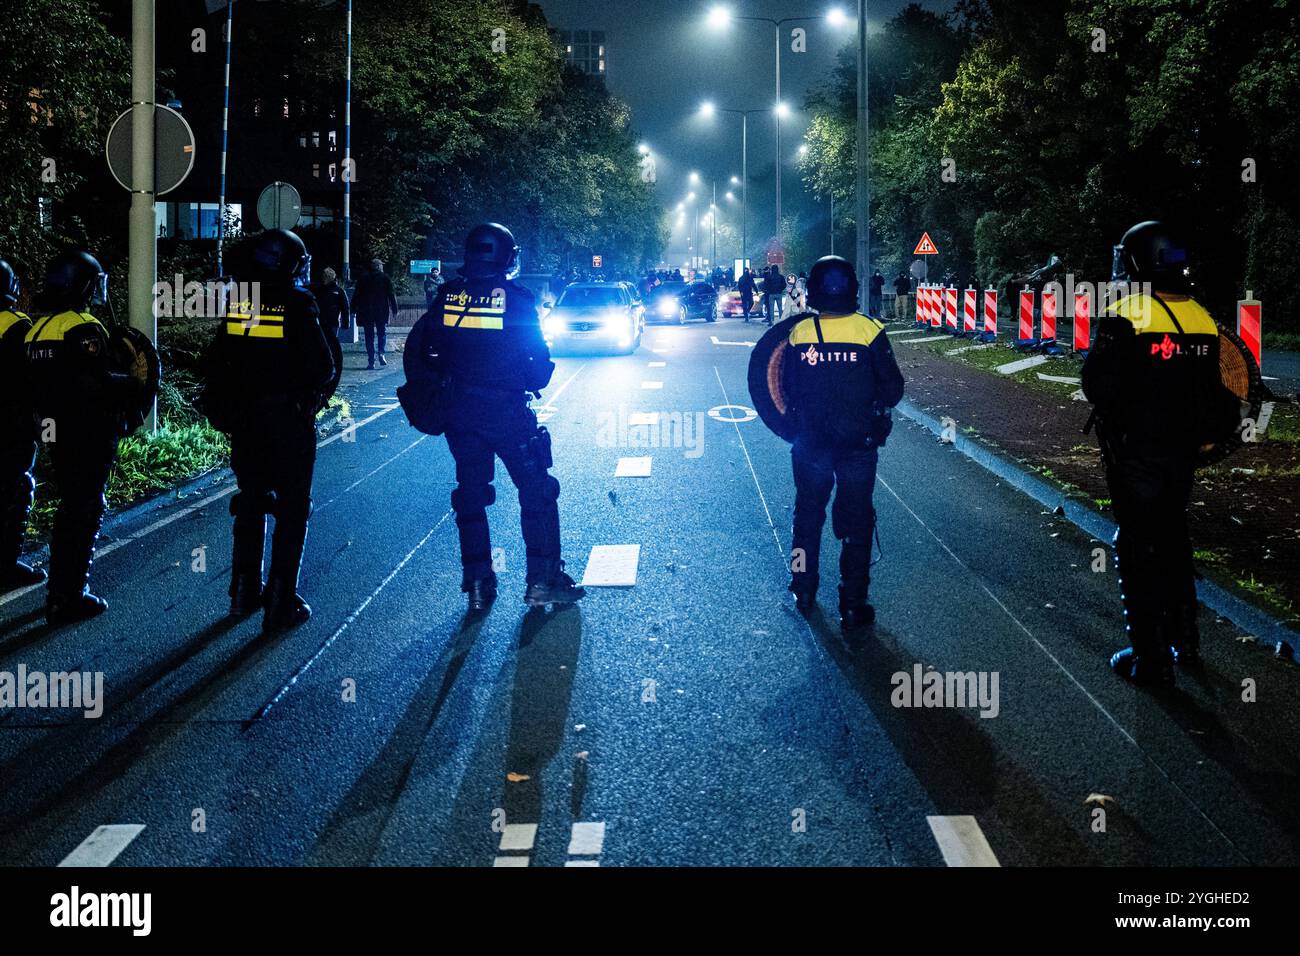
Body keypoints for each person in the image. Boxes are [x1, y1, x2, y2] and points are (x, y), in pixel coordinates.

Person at [1082, 221, 1240, 686]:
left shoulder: (1125, 314)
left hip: (1136, 454)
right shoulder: (1201, 316)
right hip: (1183, 455)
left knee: (1136, 549)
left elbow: (1097, 386)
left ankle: (1150, 661)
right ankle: (1185, 641)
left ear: (1136, 262)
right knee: (1174, 538)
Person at [424, 222, 585, 613]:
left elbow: (426, 350)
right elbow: (538, 359)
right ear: (506, 257)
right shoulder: (515, 299)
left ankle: (478, 584)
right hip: (506, 413)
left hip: (460, 414)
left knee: (471, 496)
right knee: (537, 490)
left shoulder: (447, 295)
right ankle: (543, 581)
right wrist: (530, 379)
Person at [203, 229, 337, 630]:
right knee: (293, 508)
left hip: (246, 422)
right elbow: (322, 365)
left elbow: (217, 360)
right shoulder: (299, 302)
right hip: (286, 422)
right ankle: (281, 600)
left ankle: (243, 591)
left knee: (251, 498)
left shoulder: (241, 302)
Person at [783, 255, 905, 628]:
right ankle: (853, 602)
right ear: (852, 287)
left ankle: (802, 587)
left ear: (815, 289)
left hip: (811, 446)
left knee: (807, 517)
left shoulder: (800, 333)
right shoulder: (869, 331)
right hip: (858, 446)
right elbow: (893, 389)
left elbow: (786, 389)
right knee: (857, 523)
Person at [24, 251, 138, 622]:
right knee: (86, 510)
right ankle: (69, 596)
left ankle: (59, 591)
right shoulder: (83, 326)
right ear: (85, 286)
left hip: (52, 432)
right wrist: (134, 381)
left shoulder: (37, 328)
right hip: (85, 433)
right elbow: (98, 383)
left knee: (69, 508)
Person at [0, 260, 44, 591]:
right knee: (17, 489)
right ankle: (6, 565)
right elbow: (35, 381)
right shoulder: (19, 326)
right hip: (11, 427)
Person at [351, 258, 398, 369]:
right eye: (381, 265)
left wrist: (352, 309)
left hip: (367, 311)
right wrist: (395, 309)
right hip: (381, 310)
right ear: (377, 266)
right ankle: (381, 352)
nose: (382, 267)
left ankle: (371, 361)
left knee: (369, 336)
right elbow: (391, 295)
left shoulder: (363, 278)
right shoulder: (385, 278)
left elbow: (356, 294)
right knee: (382, 333)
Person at [313, 266, 350, 339]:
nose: (323, 278)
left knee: (332, 341)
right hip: (321, 320)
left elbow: (345, 308)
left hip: (333, 321)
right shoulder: (318, 289)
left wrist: (345, 323)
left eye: (326, 276)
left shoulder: (339, 291)